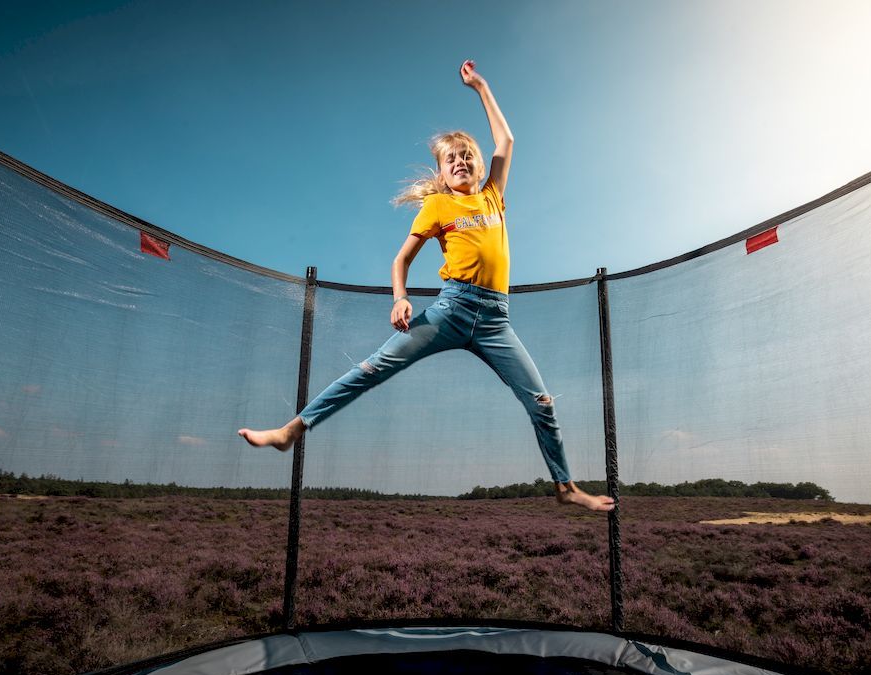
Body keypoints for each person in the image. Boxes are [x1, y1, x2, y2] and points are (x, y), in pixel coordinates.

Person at [240, 60, 614, 513]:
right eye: (450, 159)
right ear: (440, 174)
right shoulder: (437, 206)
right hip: (450, 311)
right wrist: (400, 298)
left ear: (479, 166)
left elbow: (507, 139)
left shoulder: (493, 195)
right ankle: (291, 431)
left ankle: (565, 487)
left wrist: (481, 87)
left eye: (466, 155)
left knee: (542, 403)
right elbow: (401, 260)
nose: (460, 161)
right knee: (372, 368)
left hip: (497, 321)